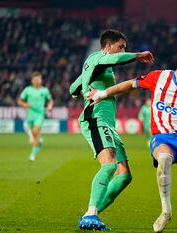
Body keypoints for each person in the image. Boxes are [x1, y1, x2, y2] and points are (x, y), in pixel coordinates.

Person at [87, 49, 177, 233]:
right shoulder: (158, 78)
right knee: (164, 159)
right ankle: (166, 211)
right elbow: (129, 85)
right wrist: (102, 94)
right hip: (163, 138)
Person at [69, 29, 154, 231]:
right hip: (96, 118)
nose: (122, 50)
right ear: (108, 46)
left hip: (108, 124)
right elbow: (116, 59)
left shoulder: (94, 65)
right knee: (108, 166)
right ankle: (91, 214)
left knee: (124, 175)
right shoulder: (99, 58)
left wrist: (76, 93)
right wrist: (137, 55)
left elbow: (74, 86)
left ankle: (92, 214)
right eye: (120, 46)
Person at [17, 72, 53, 161]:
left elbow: (50, 101)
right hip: (30, 115)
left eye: (39, 79)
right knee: (34, 135)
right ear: (32, 80)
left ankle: (32, 155)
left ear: (41, 80)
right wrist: (24, 104)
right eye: (35, 79)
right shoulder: (27, 90)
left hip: (40, 115)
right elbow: (19, 101)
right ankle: (39, 143)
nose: (37, 81)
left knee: (35, 132)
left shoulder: (45, 90)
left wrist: (49, 106)